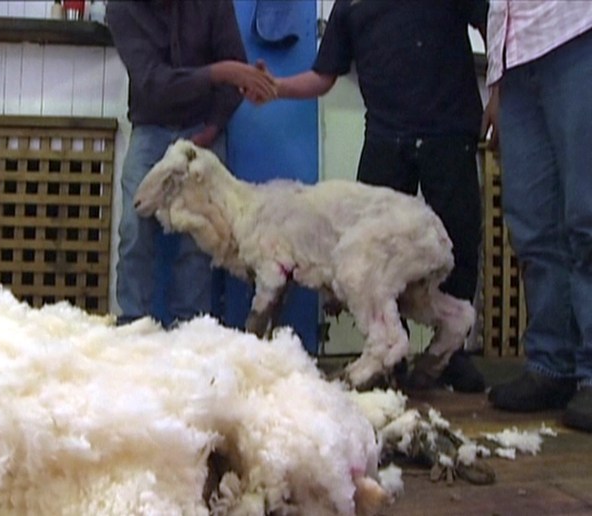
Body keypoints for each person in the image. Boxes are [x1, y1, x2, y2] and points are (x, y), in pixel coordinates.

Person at [250, 0, 487, 392]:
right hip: (385, 139)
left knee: (459, 239)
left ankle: (453, 353)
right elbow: (323, 76)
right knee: (374, 253)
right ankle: (392, 355)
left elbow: (494, 27)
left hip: (450, 132)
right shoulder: (351, 5)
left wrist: (499, 89)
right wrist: (277, 88)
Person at [106, 0, 276, 326]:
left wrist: (213, 127)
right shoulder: (122, 8)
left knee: (202, 235)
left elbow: (236, 75)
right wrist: (218, 72)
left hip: (205, 127)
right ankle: (131, 326)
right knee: (134, 226)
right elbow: (152, 84)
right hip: (151, 126)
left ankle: (190, 330)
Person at [482, 2, 592, 432]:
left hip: (576, 30)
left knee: (586, 217)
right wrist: (496, 86)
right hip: (515, 57)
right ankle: (552, 364)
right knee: (532, 225)